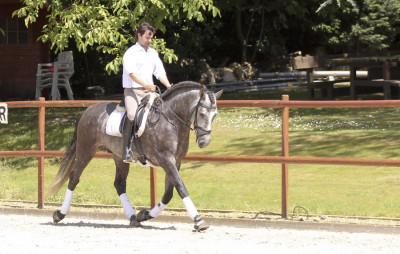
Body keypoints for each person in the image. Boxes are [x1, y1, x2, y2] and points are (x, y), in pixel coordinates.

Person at [122, 22, 172, 163]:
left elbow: (159, 72)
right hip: (133, 90)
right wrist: (146, 85)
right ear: (139, 35)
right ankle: (126, 151)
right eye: (147, 38)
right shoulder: (130, 53)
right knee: (132, 115)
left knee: (161, 113)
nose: (149, 41)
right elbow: (131, 73)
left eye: (151, 38)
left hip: (149, 91)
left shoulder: (152, 53)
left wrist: (169, 86)